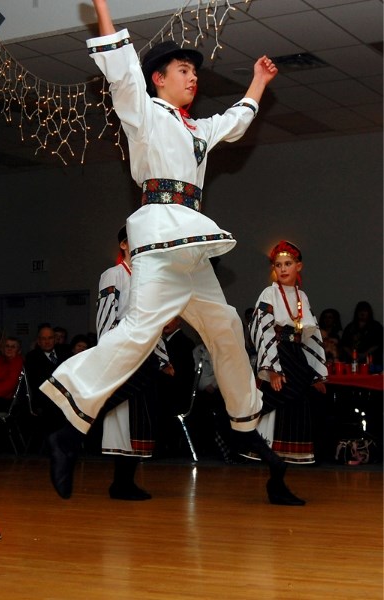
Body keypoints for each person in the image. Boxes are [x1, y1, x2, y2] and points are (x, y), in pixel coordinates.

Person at [40, 0, 300, 506]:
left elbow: (234, 121)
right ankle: (68, 422)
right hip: (160, 237)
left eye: (194, 72)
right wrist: (101, 9)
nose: (192, 78)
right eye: (183, 70)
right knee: (140, 332)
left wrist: (258, 83)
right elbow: (120, 72)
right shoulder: (145, 113)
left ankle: (244, 420)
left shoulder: (193, 128)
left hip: (192, 246)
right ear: (158, 78)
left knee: (224, 325)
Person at [97, 225, 164, 500]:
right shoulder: (113, 275)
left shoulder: (148, 278)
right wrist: (108, 353)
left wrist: (162, 357)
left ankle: (128, 480)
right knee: (121, 418)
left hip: (144, 354)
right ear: (124, 245)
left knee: (140, 418)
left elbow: (154, 321)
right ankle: (120, 482)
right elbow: (105, 316)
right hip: (123, 352)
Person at [249, 241, 328, 471]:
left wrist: (317, 373)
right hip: (278, 353)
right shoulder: (269, 293)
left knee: (299, 402)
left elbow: (311, 335)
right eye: (278, 265)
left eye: (288, 264)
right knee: (277, 398)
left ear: (298, 266)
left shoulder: (302, 295)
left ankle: (287, 458)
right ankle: (270, 455)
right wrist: (272, 368)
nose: (283, 269)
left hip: (296, 355)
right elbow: (262, 328)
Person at [156, 316, 195, 457]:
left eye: (170, 319)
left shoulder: (184, 343)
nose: (166, 322)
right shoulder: (163, 341)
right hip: (168, 390)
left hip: (175, 393)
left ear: (179, 321)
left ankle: (159, 448)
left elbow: (180, 374)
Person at [25, 324, 70, 435]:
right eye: (43, 339)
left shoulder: (65, 353)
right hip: (44, 396)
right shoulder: (32, 357)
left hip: (66, 394)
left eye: (50, 338)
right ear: (38, 341)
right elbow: (37, 382)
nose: (47, 341)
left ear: (55, 340)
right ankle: (56, 443)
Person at [341, 301, 383, 369]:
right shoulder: (350, 327)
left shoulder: (376, 326)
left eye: (365, 311)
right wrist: (353, 355)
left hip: (372, 361)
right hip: (352, 361)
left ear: (369, 312)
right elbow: (344, 344)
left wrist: (364, 354)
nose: (362, 313)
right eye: (360, 311)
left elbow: (378, 343)